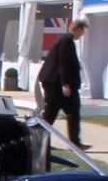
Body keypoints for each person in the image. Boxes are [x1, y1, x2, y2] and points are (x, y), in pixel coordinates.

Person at [37, 17, 89, 149]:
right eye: (81, 31)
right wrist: (65, 84)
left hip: (56, 82)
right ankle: (42, 140)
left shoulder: (66, 40)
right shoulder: (66, 41)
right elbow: (63, 64)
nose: (81, 35)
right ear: (77, 29)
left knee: (70, 111)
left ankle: (71, 142)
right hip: (56, 83)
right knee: (52, 113)